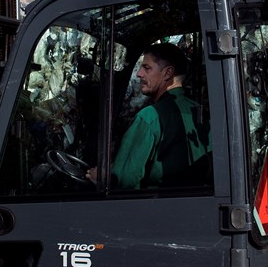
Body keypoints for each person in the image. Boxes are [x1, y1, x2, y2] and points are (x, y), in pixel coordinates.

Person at [88, 42, 210, 189]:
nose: (139, 74)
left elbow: (124, 181)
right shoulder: (197, 111)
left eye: (147, 68)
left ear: (167, 73)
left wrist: (102, 178)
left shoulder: (149, 117)